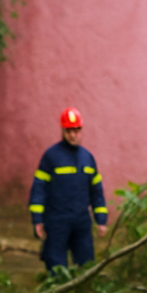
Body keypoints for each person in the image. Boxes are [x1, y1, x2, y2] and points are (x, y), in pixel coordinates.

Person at [28, 106, 109, 271]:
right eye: (69, 131)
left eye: (76, 130)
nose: (73, 135)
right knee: (56, 268)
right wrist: (37, 219)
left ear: (81, 130)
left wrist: (101, 220)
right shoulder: (51, 157)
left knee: (86, 266)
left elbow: (96, 192)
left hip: (82, 222)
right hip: (57, 221)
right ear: (63, 130)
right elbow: (39, 189)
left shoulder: (88, 158)